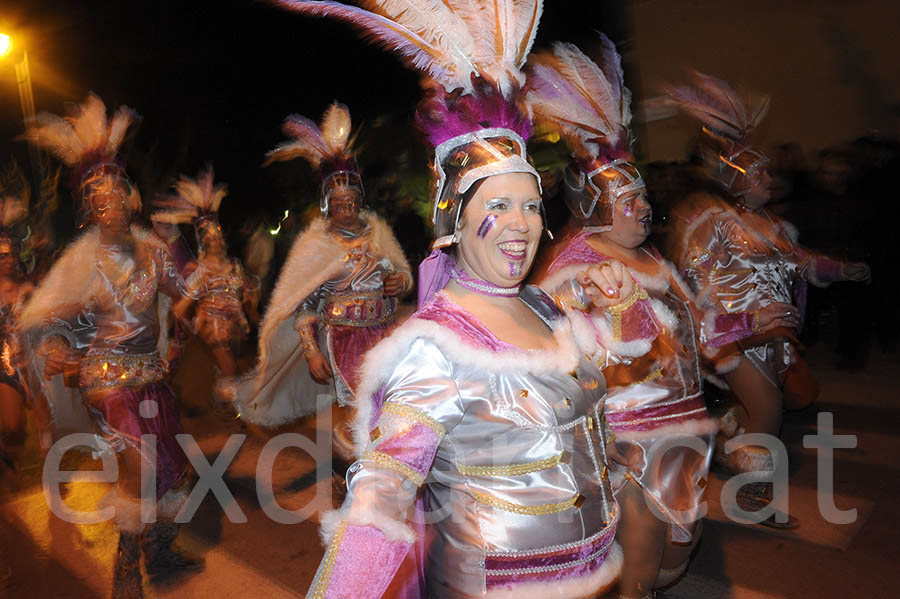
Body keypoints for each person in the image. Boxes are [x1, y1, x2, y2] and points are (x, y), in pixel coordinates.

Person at [273, 1, 669, 597]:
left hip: (595, 576)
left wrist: (618, 305)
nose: (521, 225)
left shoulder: (543, 307)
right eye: (498, 206)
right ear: (455, 220)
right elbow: (381, 499)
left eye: (531, 205)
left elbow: (633, 369)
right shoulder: (433, 345)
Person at [527, 39, 782, 598]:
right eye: (628, 200)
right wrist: (619, 324)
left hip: (686, 426)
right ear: (596, 206)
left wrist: (740, 327)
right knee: (644, 563)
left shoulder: (651, 257)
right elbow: (563, 358)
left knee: (679, 552)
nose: (643, 206)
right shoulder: (575, 267)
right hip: (627, 435)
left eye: (642, 195)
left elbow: (693, 327)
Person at [665, 72, 870, 523]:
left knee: (770, 406)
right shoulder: (710, 219)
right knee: (769, 409)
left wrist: (841, 269)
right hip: (737, 335)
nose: (769, 180)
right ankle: (753, 493)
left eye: (767, 173)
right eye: (759, 174)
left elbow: (801, 261)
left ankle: (724, 438)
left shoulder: (772, 226)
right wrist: (734, 317)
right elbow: (694, 277)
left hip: (774, 334)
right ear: (738, 181)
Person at [21, 94, 201, 599]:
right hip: (106, 380)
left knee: (173, 469)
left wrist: (189, 309)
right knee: (141, 464)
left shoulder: (154, 252)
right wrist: (57, 344)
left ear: (132, 198)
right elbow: (48, 318)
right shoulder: (81, 261)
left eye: (115, 192)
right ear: (89, 208)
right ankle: (126, 567)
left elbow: (184, 298)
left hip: (151, 375)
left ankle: (160, 551)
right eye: (97, 196)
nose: (108, 201)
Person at [235, 102, 412, 457]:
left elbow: (400, 270)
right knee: (359, 408)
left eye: (351, 201)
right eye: (339, 203)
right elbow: (303, 302)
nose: (346, 209)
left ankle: (367, 467)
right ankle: (357, 470)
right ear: (327, 205)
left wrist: (401, 282)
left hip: (383, 330)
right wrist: (313, 351)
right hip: (342, 337)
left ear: (359, 200)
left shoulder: (376, 230)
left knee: (389, 405)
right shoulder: (315, 244)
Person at [153, 167, 260, 409]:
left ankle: (221, 393)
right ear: (203, 242)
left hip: (236, 324)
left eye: (218, 236)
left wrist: (252, 300)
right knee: (229, 367)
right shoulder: (199, 269)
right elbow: (182, 307)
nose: (215, 240)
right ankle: (237, 411)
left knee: (232, 364)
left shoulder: (235, 265)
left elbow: (249, 291)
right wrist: (193, 325)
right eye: (209, 238)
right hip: (212, 324)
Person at [0, 163, 51, 472]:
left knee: (47, 416)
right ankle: (9, 447)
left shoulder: (27, 287)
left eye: (10, 254)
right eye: (0, 255)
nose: (7, 260)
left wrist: (43, 254)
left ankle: (52, 466)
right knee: (12, 427)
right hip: (5, 364)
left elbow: (49, 291)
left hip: (34, 359)